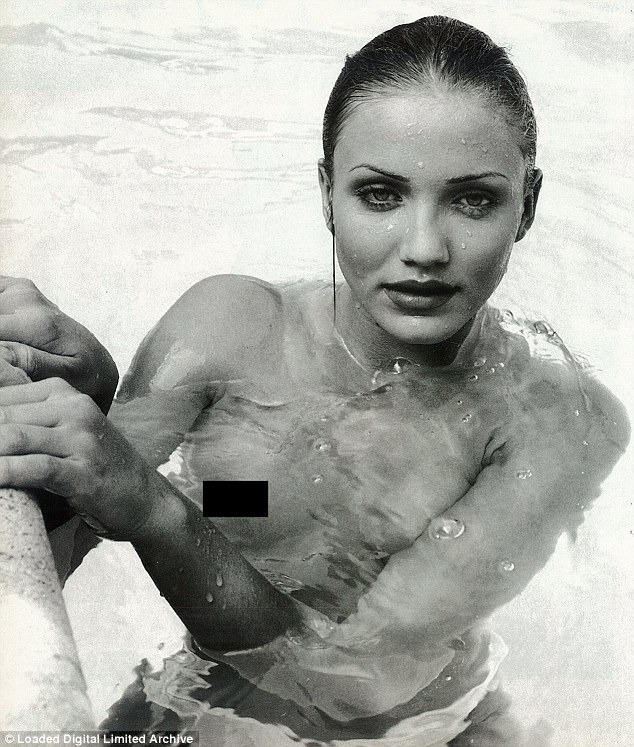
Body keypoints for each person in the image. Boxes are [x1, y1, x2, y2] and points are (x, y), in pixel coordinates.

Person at [0, 15, 629, 746]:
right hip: (197, 692)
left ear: (528, 205)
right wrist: (92, 400)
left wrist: (152, 508)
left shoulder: (555, 418)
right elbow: (73, 545)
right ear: (327, 193)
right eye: (381, 194)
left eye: (472, 200)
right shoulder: (227, 330)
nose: (425, 247)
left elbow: (351, 686)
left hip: (429, 728)